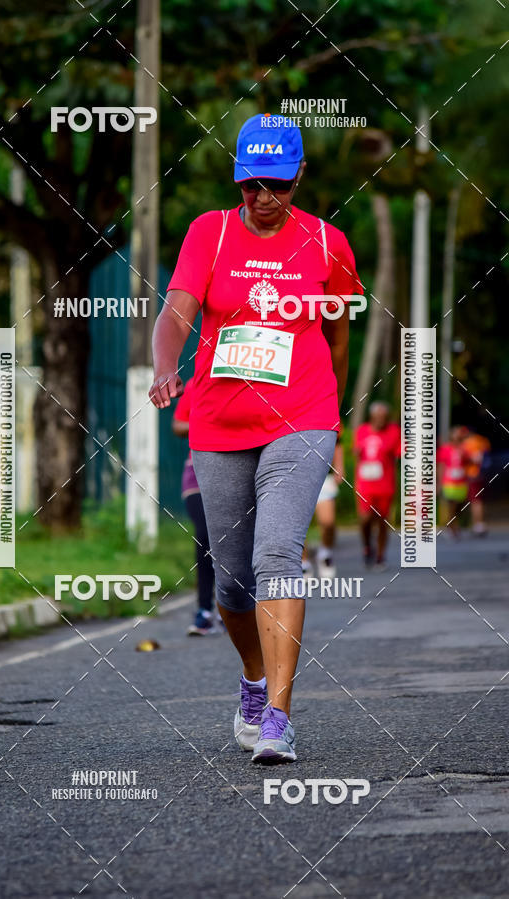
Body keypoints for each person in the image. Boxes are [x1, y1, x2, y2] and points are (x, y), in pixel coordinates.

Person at [149, 113, 363, 763]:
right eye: (250, 185)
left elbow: (339, 335)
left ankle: (278, 717)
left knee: (278, 553)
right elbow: (177, 311)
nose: (263, 198)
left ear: (300, 176)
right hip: (219, 424)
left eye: (277, 184)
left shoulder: (328, 244)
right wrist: (165, 367)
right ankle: (253, 678)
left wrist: (336, 408)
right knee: (234, 584)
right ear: (236, 180)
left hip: (302, 414)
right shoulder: (209, 235)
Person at [172, 379, 218, 635]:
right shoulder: (195, 384)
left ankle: (233, 607)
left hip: (238, 470)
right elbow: (178, 424)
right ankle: (204, 610)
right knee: (204, 535)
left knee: (233, 540)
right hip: (197, 471)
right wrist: (210, 426)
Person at [354, 402, 401, 569]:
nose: (381, 420)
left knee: (382, 520)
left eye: (384, 417)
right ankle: (367, 546)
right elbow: (357, 453)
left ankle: (381, 556)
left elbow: (400, 452)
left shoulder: (394, 431)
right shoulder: (362, 430)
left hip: (385, 484)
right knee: (365, 518)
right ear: (372, 416)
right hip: (366, 483)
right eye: (377, 416)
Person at [302, 430, 344, 578]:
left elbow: (337, 442)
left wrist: (339, 466)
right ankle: (303, 562)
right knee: (298, 525)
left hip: (324, 476)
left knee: (328, 522)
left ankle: (325, 553)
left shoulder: (324, 409)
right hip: (298, 477)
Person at [437, 427, 470, 538]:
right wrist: (439, 482)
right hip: (449, 482)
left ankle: (452, 523)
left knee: (459, 506)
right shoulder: (445, 449)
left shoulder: (464, 449)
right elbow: (441, 466)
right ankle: (453, 527)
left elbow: (468, 463)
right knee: (452, 505)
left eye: (459, 437)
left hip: (461, 482)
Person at [461, 428, 491, 536]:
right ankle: (478, 523)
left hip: (471, 474)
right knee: (478, 499)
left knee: (474, 501)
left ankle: (477, 524)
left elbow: (472, 458)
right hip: (481, 474)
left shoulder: (467, 444)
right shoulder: (482, 441)